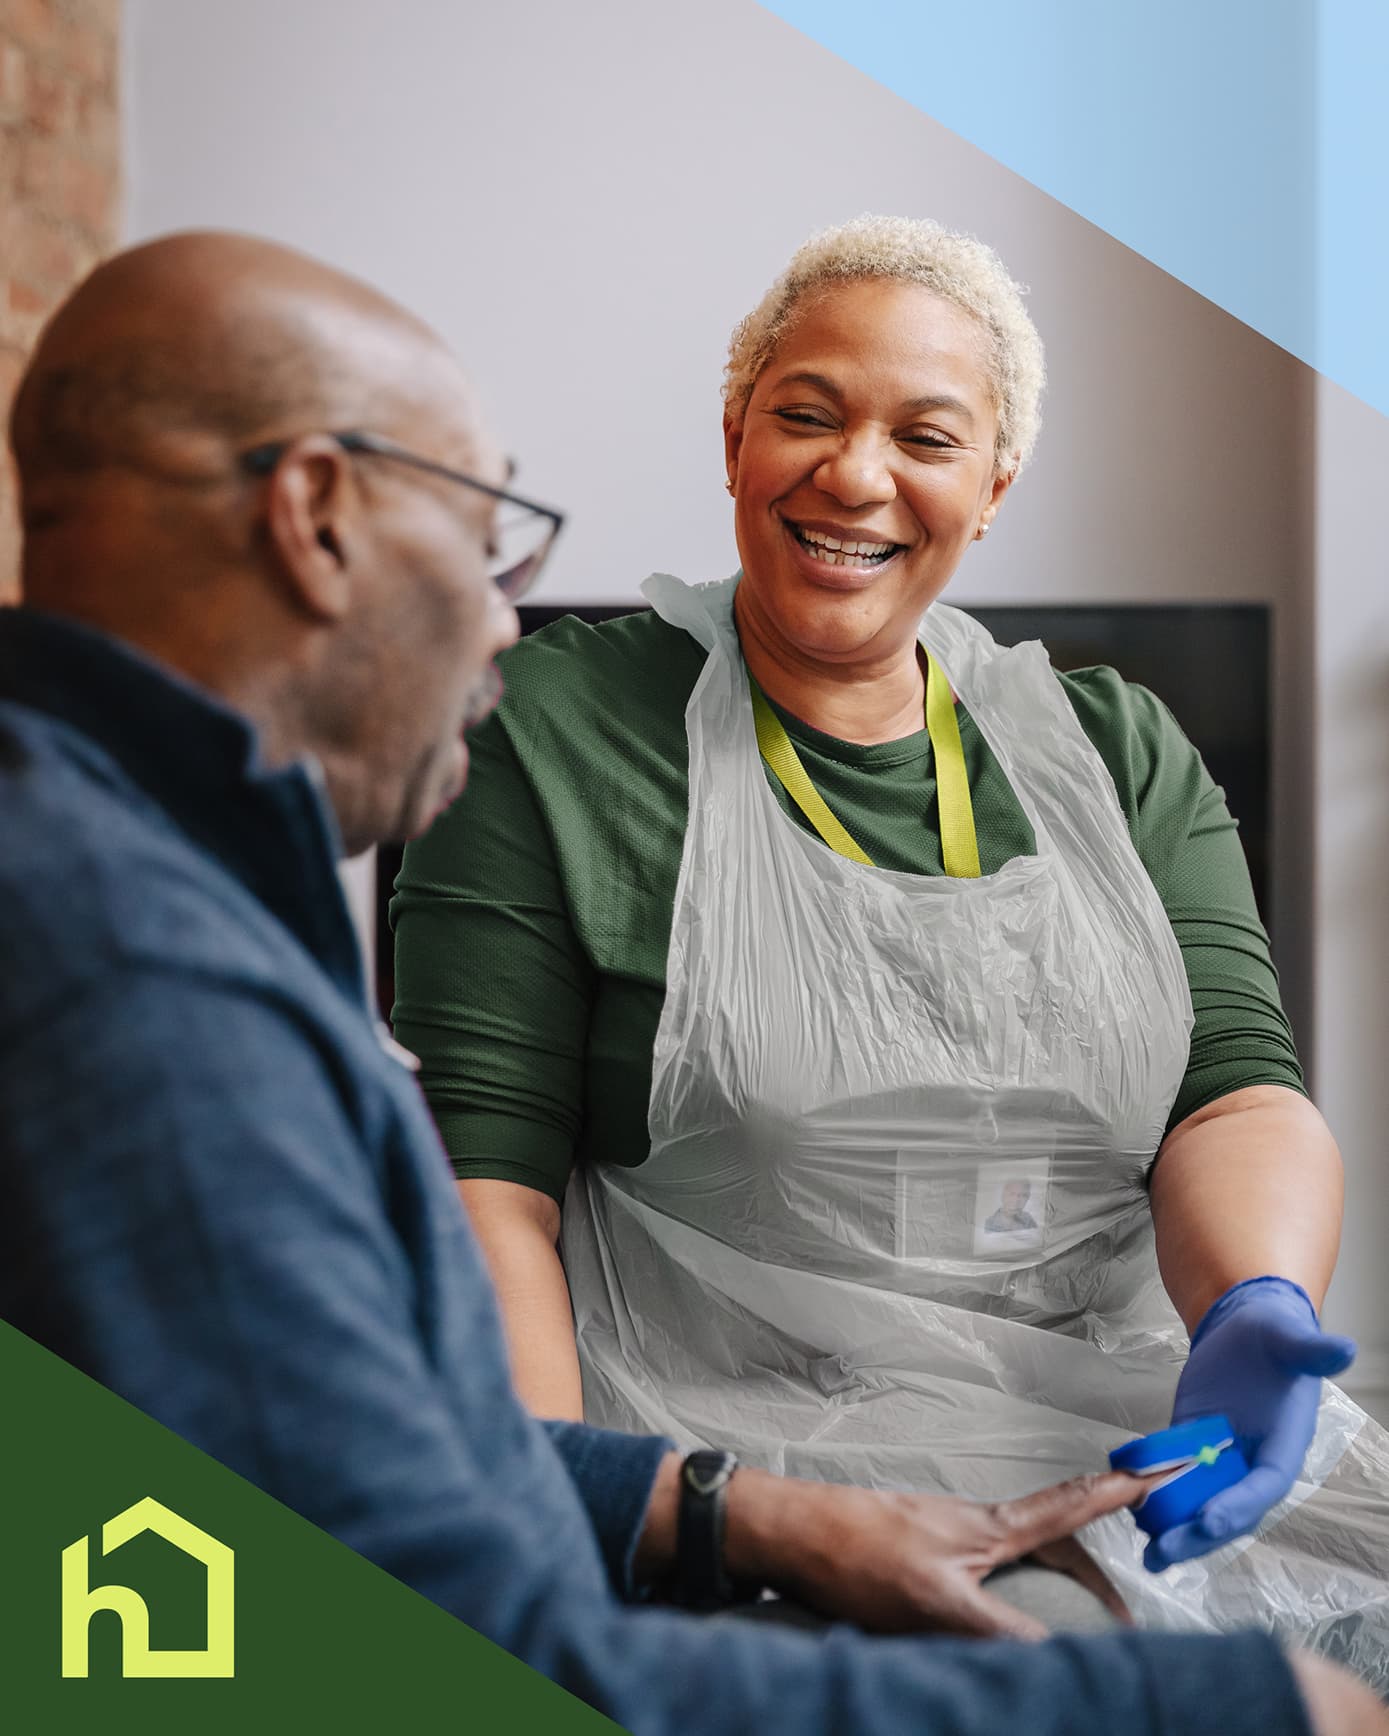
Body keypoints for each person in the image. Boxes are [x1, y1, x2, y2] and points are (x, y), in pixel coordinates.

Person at [4, 231, 1378, 1736]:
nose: (496, 627)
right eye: (486, 546)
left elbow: (377, 1469)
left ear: (992, 491)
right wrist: (1207, 1713)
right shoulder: (140, 993)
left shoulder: (141, 891)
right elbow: (425, 1634)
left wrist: (727, 1518)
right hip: (741, 1421)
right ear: (315, 517)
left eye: (925, 437)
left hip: (1048, 1434)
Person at [391, 215, 1389, 1677]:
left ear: (991, 487)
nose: (854, 474)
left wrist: (1252, 1300)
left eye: (926, 436)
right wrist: (557, 1550)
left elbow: (1231, 1090)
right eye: (804, 415)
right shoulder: (549, 732)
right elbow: (490, 1197)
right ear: (733, 435)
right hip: (738, 1453)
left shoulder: (1111, 751)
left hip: (1108, 1433)